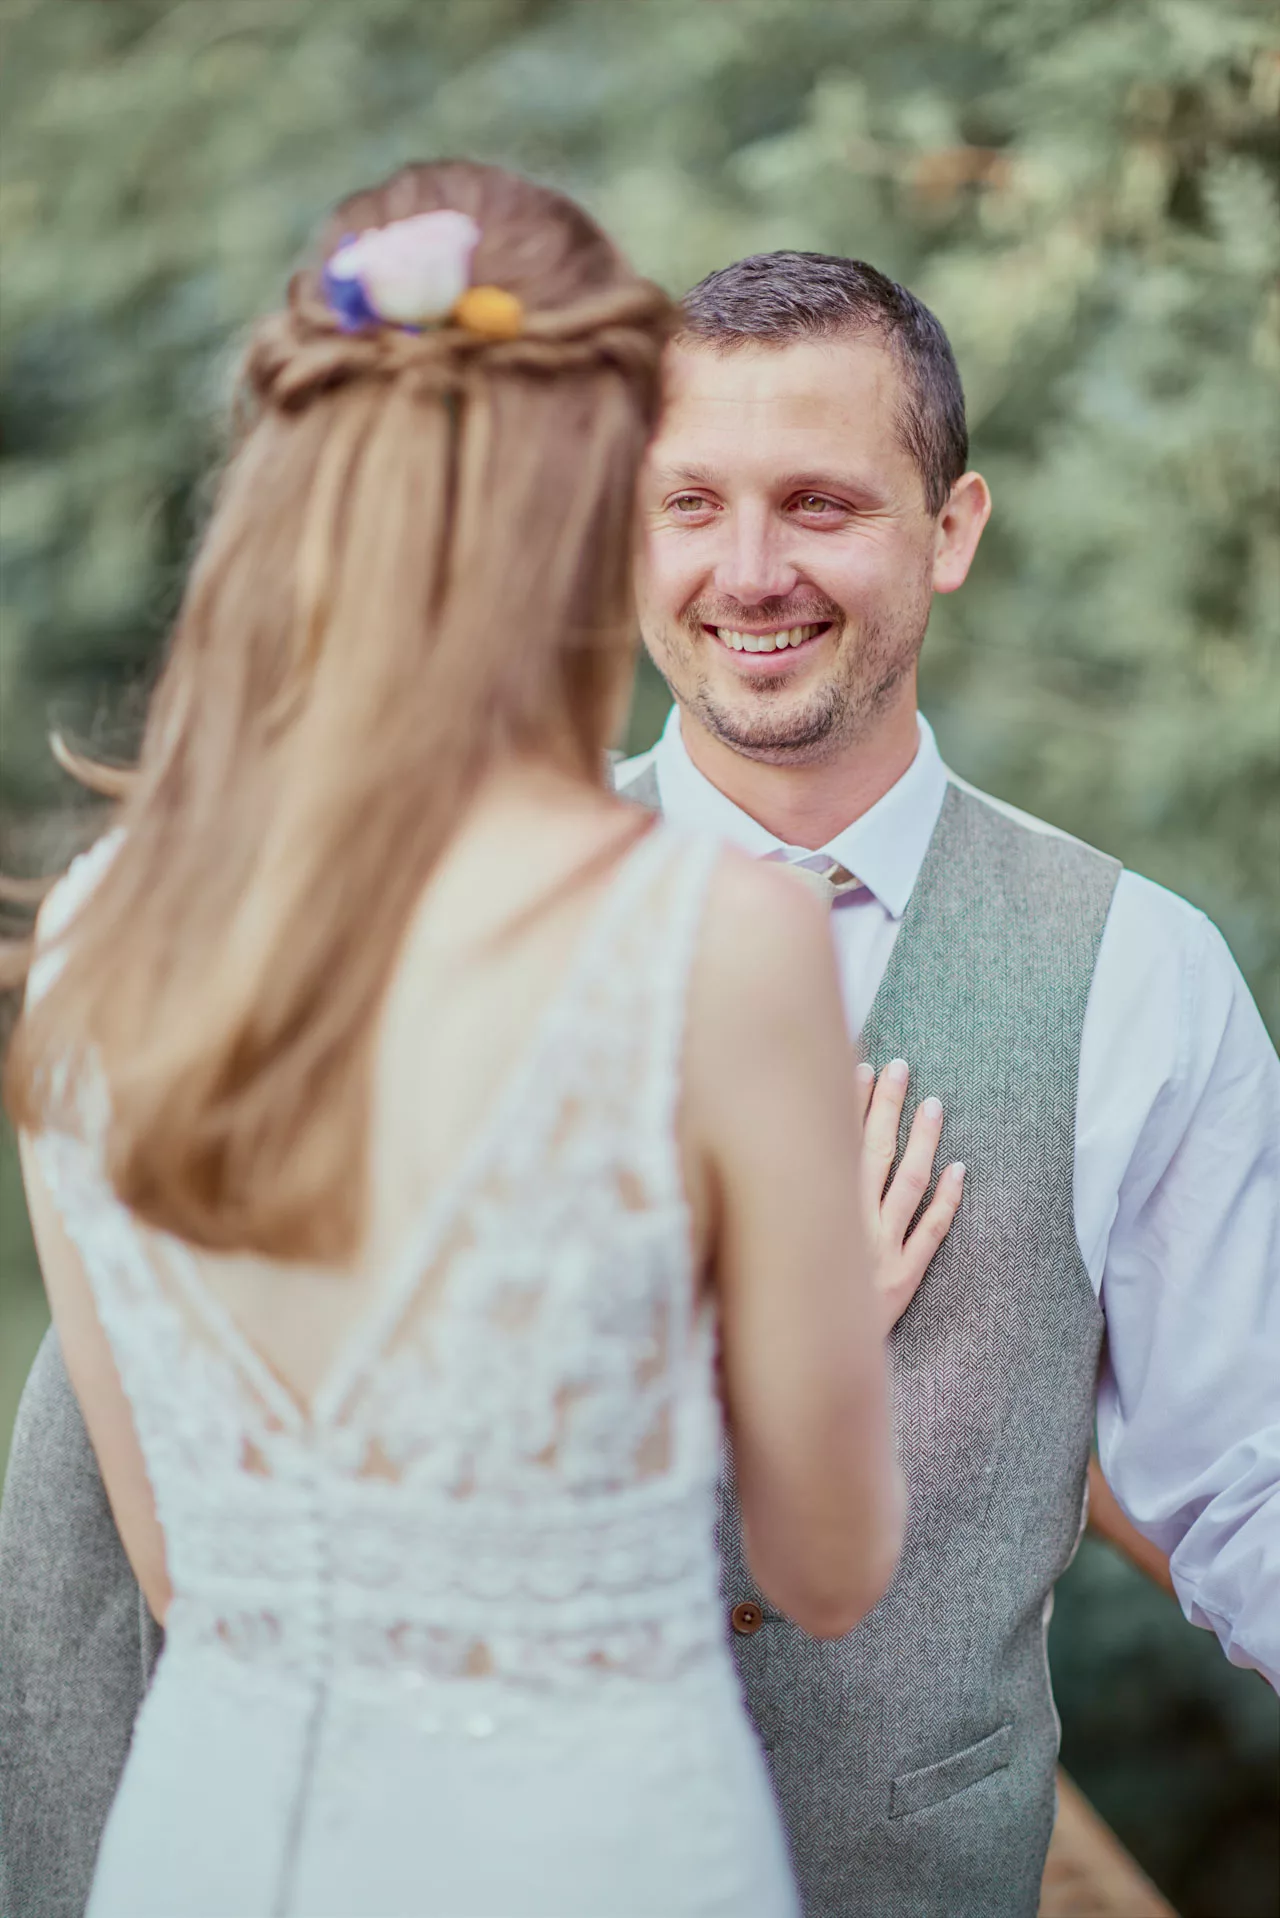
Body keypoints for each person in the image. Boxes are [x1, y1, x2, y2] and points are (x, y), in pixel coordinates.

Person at [0, 167, 966, 1918]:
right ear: (607, 506)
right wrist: (798, 1321)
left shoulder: (92, 933)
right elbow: (830, 1569)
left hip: (206, 1848)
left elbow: (177, 1565)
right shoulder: (711, 941)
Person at [613, 248, 1280, 1917]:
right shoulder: (463, 919)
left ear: (954, 529)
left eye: (821, 503)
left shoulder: (1140, 969)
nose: (749, 570)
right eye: (690, 502)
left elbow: (1247, 1474)